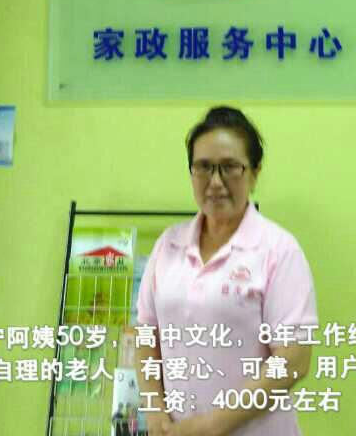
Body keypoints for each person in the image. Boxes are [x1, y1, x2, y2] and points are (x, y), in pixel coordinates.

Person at [135, 106, 318, 436]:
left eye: (230, 167)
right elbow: (147, 336)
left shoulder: (278, 250)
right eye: (204, 167)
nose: (215, 182)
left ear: (254, 173)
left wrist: (211, 426)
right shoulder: (168, 245)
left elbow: (294, 359)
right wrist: (155, 412)